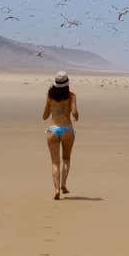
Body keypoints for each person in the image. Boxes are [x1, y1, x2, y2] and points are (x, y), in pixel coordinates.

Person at [42, 71, 79, 199]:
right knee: (66, 159)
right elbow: (75, 113)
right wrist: (74, 115)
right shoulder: (72, 96)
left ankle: (56, 189)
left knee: (55, 162)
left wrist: (53, 108)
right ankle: (64, 184)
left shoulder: (50, 96)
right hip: (67, 129)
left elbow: (45, 116)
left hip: (53, 130)